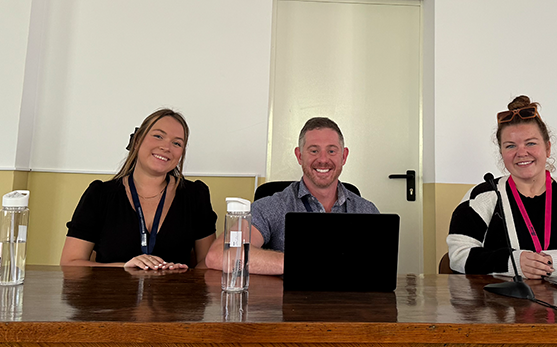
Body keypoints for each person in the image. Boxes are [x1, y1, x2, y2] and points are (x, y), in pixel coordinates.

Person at [447, 96, 557, 278]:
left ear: (548, 148)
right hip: (500, 304)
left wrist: (553, 263)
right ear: (502, 153)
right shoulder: (481, 196)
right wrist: (513, 263)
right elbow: (458, 257)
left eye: (531, 143)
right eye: (510, 146)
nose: (521, 153)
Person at [206, 117, 379, 275]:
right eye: (313, 151)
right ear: (299, 156)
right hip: (290, 307)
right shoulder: (272, 206)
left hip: (350, 306)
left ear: (344, 156)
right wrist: (300, 262)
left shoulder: (367, 210)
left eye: (332, 151)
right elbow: (218, 255)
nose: (323, 159)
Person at [60, 109, 217, 270]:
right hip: (112, 294)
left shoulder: (196, 195)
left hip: (173, 294)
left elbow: (209, 265)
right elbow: (70, 264)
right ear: (137, 141)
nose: (166, 147)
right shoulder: (100, 194)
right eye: (158, 136)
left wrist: (184, 275)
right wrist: (125, 267)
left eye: (177, 143)